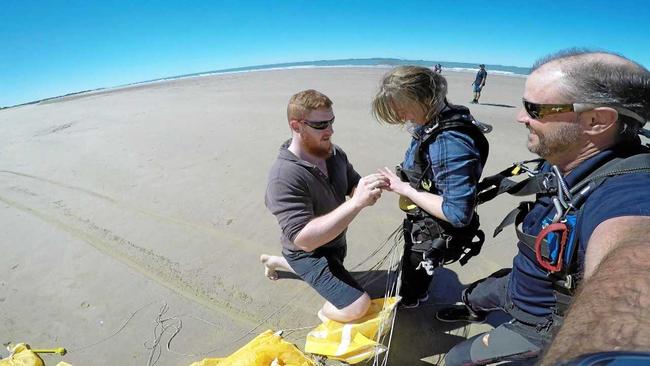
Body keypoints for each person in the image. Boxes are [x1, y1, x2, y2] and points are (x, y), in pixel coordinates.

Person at [436, 49, 650, 365]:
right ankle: (472, 307)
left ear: (596, 120)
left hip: (541, 319)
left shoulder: (629, 190)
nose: (521, 117)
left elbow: (632, 272)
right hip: (522, 278)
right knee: (477, 293)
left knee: (456, 359)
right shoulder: (566, 156)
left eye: (535, 109)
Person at [261, 89, 389, 323]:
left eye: (331, 121)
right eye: (320, 125)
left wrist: (369, 186)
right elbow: (304, 239)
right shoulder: (283, 176)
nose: (330, 130)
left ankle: (275, 262)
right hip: (307, 254)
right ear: (297, 126)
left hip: (335, 242)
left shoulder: (334, 153)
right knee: (357, 306)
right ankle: (324, 313)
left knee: (338, 270)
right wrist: (357, 203)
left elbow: (352, 183)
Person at [371, 66, 489, 308]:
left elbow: (457, 213)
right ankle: (416, 291)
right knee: (415, 262)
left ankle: (412, 300)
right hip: (423, 216)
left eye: (402, 109)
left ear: (425, 98)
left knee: (417, 267)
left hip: (434, 227)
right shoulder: (435, 120)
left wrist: (406, 189)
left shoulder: (450, 141)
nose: (402, 117)